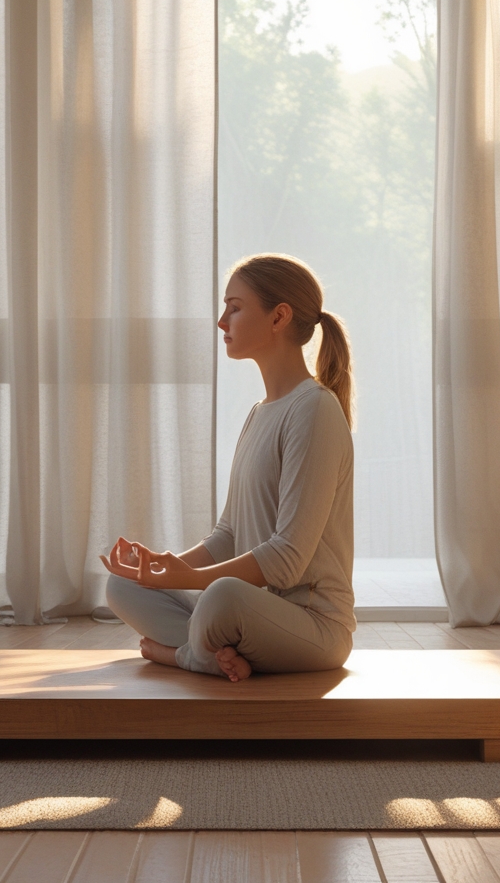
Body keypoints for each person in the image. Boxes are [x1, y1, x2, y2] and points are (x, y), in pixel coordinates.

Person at [102, 253, 356, 682]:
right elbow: (229, 535)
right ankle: (212, 651)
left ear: (278, 318)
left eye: (234, 308)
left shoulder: (314, 410)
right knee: (122, 587)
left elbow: (288, 559)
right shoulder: (260, 413)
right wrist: (161, 572)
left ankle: (183, 655)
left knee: (222, 597)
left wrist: (194, 579)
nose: (222, 321)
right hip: (252, 611)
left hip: (313, 626)